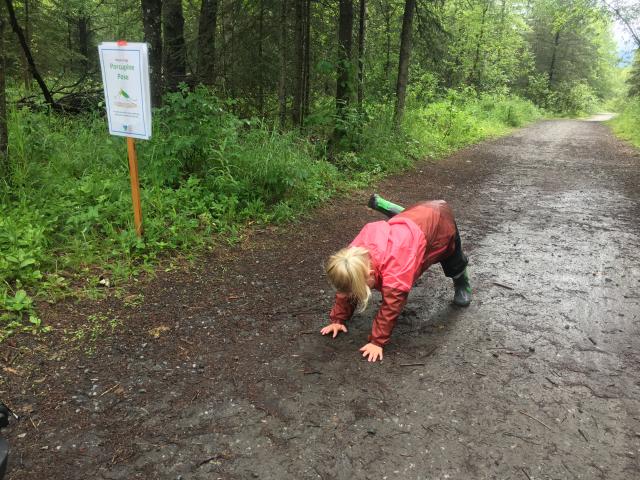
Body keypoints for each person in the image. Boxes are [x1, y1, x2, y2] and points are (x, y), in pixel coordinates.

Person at [320, 194, 471, 362]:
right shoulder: (352, 255)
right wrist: (338, 319)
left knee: (453, 260)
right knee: (403, 219)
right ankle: (394, 210)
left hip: (439, 221)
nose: (352, 292)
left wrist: (377, 342)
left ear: (370, 275)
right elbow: (347, 285)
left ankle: (461, 282)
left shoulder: (395, 271)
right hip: (411, 218)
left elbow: (392, 305)